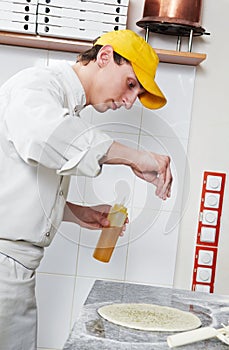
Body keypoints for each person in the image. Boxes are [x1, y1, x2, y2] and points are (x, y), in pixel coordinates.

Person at [0, 29, 172, 349]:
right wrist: (134, 157)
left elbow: (15, 184)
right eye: (131, 84)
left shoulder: (63, 102)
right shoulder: (38, 85)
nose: (130, 100)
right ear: (105, 57)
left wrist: (76, 213)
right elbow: (49, 138)